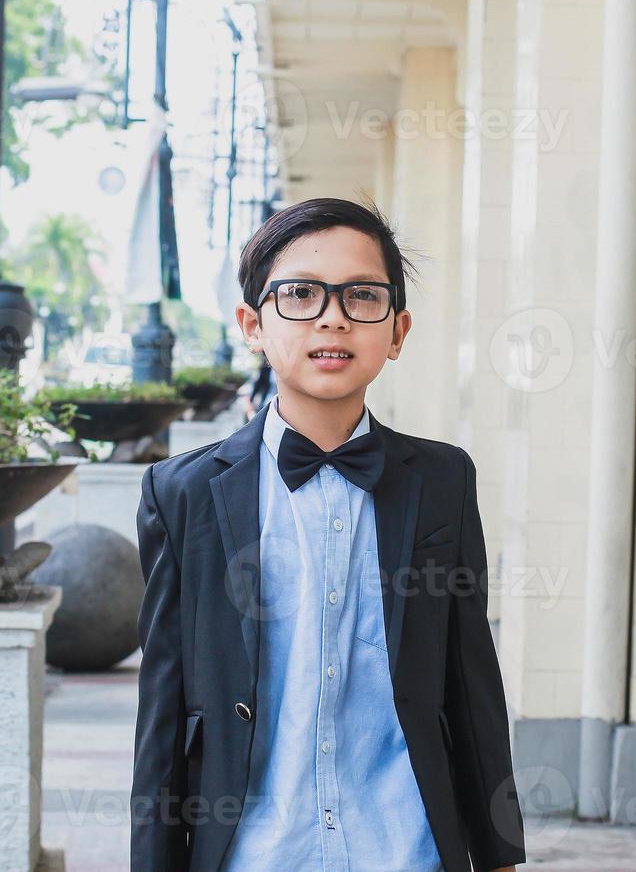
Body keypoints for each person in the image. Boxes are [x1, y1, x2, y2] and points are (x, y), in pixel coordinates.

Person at [130, 198, 526, 872]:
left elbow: (472, 684)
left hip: (406, 848)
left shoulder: (443, 482)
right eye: (301, 294)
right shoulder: (184, 494)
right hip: (252, 853)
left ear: (397, 332)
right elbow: (164, 714)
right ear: (252, 324)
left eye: (361, 296)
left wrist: (498, 855)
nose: (332, 315)